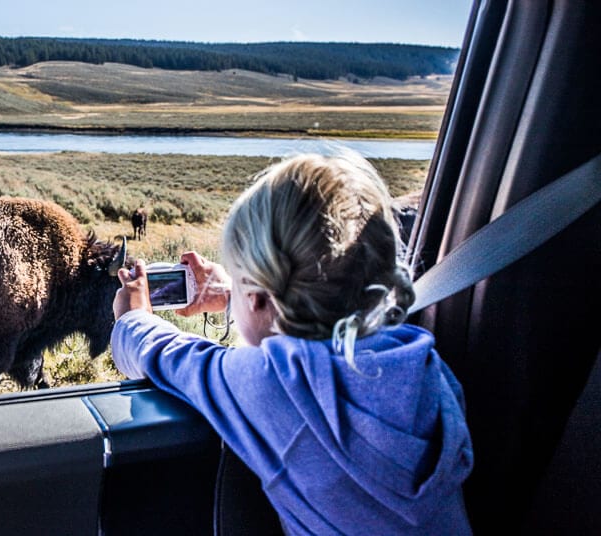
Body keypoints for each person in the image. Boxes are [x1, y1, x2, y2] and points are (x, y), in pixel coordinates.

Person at [111, 153, 474, 535]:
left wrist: (133, 317)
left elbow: (173, 359)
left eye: (241, 281)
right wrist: (234, 292)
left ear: (258, 298)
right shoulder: (424, 365)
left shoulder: (275, 387)